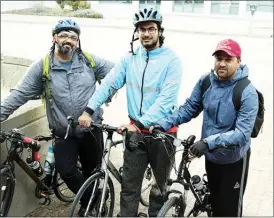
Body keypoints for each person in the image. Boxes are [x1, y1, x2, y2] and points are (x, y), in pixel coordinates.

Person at [0, 18, 114, 216]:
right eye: (63, 35)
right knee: (67, 171)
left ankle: (90, 207)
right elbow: (19, 95)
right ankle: (93, 200)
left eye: (73, 36)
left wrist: (108, 95)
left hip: (91, 129)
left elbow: (117, 74)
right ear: (54, 38)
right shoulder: (43, 67)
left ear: (77, 41)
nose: (68, 40)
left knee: (91, 173)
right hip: (64, 131)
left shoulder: (89, 61)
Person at [78, 7, 183, 217]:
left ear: (159, 31)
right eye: (141, 29)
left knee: (159, 188)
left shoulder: (172, 61)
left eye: (151, 29)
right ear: (136, 32)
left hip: (163, 132)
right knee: (129, 187)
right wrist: (88, 110)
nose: (145, 33)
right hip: (136, 132)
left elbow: (166, 100)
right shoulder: (130, 58)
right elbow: (109, 84)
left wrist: (139, 124)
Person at [151, 39, 259, 217]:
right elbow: (189, 108)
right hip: (211, 157)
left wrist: (207, 143)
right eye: (218, 58)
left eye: (228, 59)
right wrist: (163, 123)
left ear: (238, 61)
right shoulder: (206, 82)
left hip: (234, 161)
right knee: (216, 206)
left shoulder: (246, 91)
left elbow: (242, 134)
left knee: (229, 211)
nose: (222, 63)